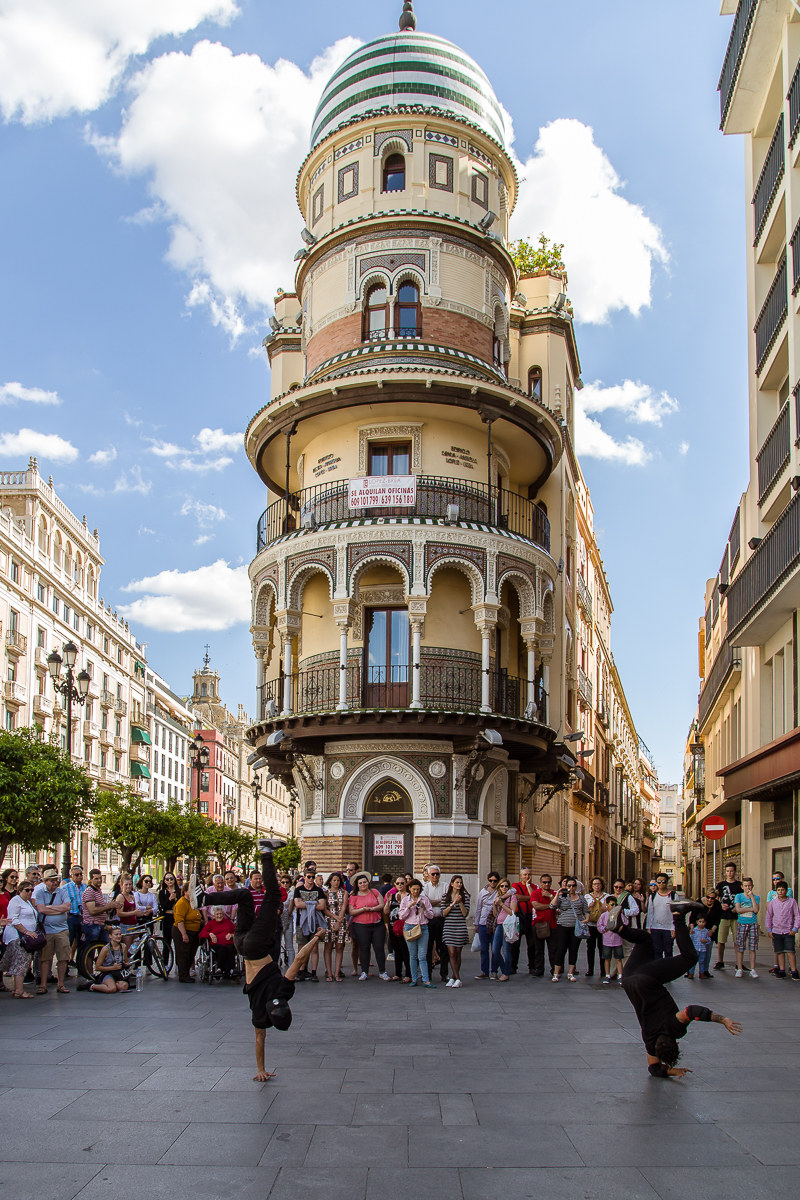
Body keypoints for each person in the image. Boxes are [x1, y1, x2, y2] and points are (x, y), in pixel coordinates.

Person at [200, 840, 325, 1081]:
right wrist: (260, 1070)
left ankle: (265, 853)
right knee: (247, 895)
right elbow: (259, 1039)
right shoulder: (259, 1013)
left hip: (255, 947)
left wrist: (316, 937)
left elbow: (299, 959)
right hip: (241, 944)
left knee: (271, 897)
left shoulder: (283, 991)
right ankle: (206, 900)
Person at [618, 902, 742, 1076]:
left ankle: (678, 915)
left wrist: (722, 1020)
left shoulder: (675, 1029)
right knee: (646, 940)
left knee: (690, 957)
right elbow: (654, 1069)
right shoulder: (650, 1042)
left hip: (647, 979)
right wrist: (672, 1071)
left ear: (676, 1044)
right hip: (628, 979)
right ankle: (620, 929)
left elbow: (692, 1011)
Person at [32, 866, 72, 995]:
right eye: (52, 880)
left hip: (62, 929)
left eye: (56, 879)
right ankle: (43, 984)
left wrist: (50, 908)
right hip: (47, 930)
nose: (55, 882)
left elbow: (67, 907)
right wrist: (58, 908)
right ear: (46, 881)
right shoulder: (40, 893)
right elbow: (41, 909)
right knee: (45, 958)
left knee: (63, 957)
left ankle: (61, 984)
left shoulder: (62, 892)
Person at [348, 871, 389, 980]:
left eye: (365, 882)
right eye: (360, 883)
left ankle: (382, 971)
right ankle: (364, 972)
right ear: (357, 885)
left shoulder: (374, 892)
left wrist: (372, 909)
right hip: (361, 925)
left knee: (379, 947)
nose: (363, 884)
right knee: (364, 948)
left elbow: (382, 904)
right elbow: (351, 911)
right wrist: (363, 909)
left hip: (377, 924)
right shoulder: (354, 896)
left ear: (368, 882)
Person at [3, 879, 41, 998]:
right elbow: (13, 920)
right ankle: (19, 990)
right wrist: (26, 931)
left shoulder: (28, 902)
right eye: (27, 890)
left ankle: (17, 989)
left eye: (31, 890)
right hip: (17, 937)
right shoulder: (16, 901)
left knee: (23, 962)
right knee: (21, 962)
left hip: (26, 938)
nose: (30, 892)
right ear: (20, 891)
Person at [550, 877, 589, 981]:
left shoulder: (581, 898)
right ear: (565, 886)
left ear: (576, 887)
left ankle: (571, 972)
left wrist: (586, 920)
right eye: (569, 886)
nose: (571, 888)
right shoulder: (562, 897)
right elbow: (552, 906)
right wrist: (558, 893)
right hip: (563, 925)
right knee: (560, 949)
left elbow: (586, 910)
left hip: (576, 927)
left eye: (573, 886)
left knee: (573, 949)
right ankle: (556, 972)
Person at [293, 868, 329, 981]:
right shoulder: (298, 890)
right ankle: (301, 971)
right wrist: (314, 903)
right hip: (302, 922)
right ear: (304, 877)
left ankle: (314, 972)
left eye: (313, 877)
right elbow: (297, 904)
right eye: (309, 877)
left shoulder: (319, 890)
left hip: (316, 922)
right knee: (301, 947)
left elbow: (322, 906)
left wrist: (306, 904)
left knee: (314, 948)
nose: (311, 879)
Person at [398, 878, 435, 987]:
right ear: (409, 889)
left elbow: (431, 916)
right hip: (410, 927)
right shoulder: (405, 900)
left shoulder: (424, 899)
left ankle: (426, 979)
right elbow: (401, 916)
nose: (416, 892)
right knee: (412, 955)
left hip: (423, 927)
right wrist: (409, 907)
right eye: (414, 889)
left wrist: (424, 908)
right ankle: (414, 978)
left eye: (418, 889)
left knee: (422, 955)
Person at [765, 880, 800, 979]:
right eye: (778, 890)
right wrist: (769, 929)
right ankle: (782, 970)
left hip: (788, 931)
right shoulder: (773, 903)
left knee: (790, 951)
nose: (780, 892)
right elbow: (769, 916)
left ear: (786, 891)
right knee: (779, 952)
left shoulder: (792, 902)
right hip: (776, 931)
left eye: (782, 890)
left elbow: (797, 916)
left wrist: (795, 928)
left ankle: (794, 971)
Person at [173, 879, 203, 983]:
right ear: (185, 892)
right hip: (183, 930)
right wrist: (184, 934)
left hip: (194, 931)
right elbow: (179, 920)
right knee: (184, 953)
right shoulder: (182, 903)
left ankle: (187, 972)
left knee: (191, 953)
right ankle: (183, 974)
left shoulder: (193, 902)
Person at [422, 864, 449, 984]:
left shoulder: (445, 886)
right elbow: (425, 903)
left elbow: (447, 902)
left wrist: (432, 902)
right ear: (428, 875)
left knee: (443, 948)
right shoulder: (425, 887)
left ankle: (444, 974)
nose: (435, 876)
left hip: (442, 919)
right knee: (428, 948)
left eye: (437, 874)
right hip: (429, 921)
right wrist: (439, 901)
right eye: (432, 874)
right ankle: (428, 974)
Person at [442, 874, 470, 987]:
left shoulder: (465, 897)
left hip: (460, 926)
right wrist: (453, 903)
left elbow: (465, 914)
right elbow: (443, 913)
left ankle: (454, 977)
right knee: (451, 953)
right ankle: (457, 978)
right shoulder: (445, 896)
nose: (459, 884)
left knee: (458, 953)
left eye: (460, 883)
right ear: (452, 884)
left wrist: (460, 902)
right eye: (457, 882)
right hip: (449, 926)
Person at [84, 925, 130, 993]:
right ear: (110, 936)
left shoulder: (123, 946)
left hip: (118, 972)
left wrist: (126, 965)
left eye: (120, 934)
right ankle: (92, 986)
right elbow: (97, 967)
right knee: (112, 989)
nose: (119, 936)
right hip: (107, 972)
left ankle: (111, 983)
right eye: (116, 934)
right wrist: (113, 968)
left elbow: (125, 961)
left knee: (124, 986)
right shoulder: (105, 949)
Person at [714, 861, 743, 970]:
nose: (730, 873)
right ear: (725, 872)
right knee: (721, 940)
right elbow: (716, 899)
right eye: (727, 871)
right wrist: (721, 906)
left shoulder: (739, 885)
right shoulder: (721, 885)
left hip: (736, 917)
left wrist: (738, 908)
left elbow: (743, 899)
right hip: (723, 916)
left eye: (731, 871)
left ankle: (738, 962)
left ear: (735, 872)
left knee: (737, 941)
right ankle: (720, 961)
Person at [322, 872, 349, 982]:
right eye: (334, 880)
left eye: (338, 880)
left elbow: (344, 907)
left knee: (339, 948)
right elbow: (324, 908)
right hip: (328, 920)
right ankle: (329, 973)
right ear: (330, 881)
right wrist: (335, 918)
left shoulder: (344, 892)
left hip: (341, 921)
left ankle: (337, 973)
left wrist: (339, 920)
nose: (336, 882)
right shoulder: (325, 893)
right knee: (328, 948)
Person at [473, 871, 500, 979]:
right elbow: (478, 908)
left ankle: (494, 971)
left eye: (495, 881)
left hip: (495, 923)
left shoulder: (500, 891)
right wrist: (476, 923)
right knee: (484, 948)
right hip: (483, 923)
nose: (493, 883)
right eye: (491, 881)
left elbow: (512, 890)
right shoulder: (482, 892)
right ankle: (484, 971)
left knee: (495, 949)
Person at [385, 875, 411, 983]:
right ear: (395, 885)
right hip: (393, 926)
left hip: (405, 927)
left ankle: (408, 974)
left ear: (406, 884)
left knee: (406, 951)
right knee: (397, 951)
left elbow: (406, 912)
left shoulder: (409, 896)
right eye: (398, 883)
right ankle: (397, 973)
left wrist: (400, 902)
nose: (400, 885)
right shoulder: (393, 896)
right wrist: (388, 901)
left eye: (402, 883)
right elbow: (386, 912)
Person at [491, 878, 518, 982]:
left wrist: (502, 904)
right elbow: (495, 914)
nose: (504, 888)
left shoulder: (512, 897)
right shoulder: (498, 897)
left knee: (506, 951)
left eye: (506, 886)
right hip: (498, 925)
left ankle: (506, 973)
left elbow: (512, 912)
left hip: (508, 926)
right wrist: (495, 904)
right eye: (502, 886)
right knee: (494, 950)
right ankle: (504, 969)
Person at [530, 874, 556, 977]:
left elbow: (557, 904)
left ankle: (554, 969)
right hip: (538, 924)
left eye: (549, 882)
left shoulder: (554, 893)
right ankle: (539, 969)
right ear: (540, 883)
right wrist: (550, 906)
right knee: (538, 949)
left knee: (553, 949)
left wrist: (550, 897)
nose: (547, 884)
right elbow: (536, 905)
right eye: (544, 882)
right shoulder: (535, 893)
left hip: (552, 925)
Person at [200, 906, 237, 978]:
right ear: (213, 915)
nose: (219, 916)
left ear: (223, 914)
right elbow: (201, 934)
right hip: (216, 944)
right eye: (217, 914)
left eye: (221, 914)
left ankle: (231, 969)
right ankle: (220, 969)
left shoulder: (228, 922)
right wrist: (209, 934)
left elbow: (237, 931)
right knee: (221, 949)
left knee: (230, 948)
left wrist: (232, 935)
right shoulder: (210, 923)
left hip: (229, 943)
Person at [81, 868, 116, 946]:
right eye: (96, 879)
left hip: (101, 924)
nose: (99, 880)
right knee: (90, 950)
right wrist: (108, 907)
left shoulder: (98, 891)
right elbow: (92, 910)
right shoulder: (90, 891)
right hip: (92, 924)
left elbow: (102, 908)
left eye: (100, 878)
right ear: (91, 880)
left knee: (105, 947)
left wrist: (111, 906)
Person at [734, 877, 760, 979]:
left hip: (753, 923)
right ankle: (739, 968)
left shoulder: (756, 897)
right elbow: (738, 910)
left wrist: (752, 897)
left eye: (749, 886)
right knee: (740, 946)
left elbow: (756, 910)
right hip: (742, 923)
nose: (747, 888)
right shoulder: (739, 896)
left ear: (752, 886)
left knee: (752, 946)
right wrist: (750, 909)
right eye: (745, 886)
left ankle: (753, 969)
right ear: (742, 887)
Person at [510, 867, 535, 975]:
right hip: (519, 917)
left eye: (529, 874)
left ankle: (532, 967)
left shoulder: (534, 886)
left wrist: (529, 887)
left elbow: (534, 897)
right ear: (521, 876)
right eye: (525, 874)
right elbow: (517, 897)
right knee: (515, 944)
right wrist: (529, 897)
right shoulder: (516, 886)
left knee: (532, 944)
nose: (527, 877)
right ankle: (513, 967)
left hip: (531, 918)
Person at [645, 873, 676, 959]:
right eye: (659, 882)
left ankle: (668, 971)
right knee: (657, 951)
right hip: (655, 928)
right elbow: (650, 912)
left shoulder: (673, 895)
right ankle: (658, 971)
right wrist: (648, 927)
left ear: (667, 882)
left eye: (663, 882)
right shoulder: (653, 896)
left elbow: (676, 913)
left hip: (668, 929)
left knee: (668, 951)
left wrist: (674, 928)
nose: (661, 884)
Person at [597, 895, 626, 983]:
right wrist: (604, 929)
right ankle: (607, 974)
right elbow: (599, 926)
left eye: (615, 904)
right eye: (611, 904)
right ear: (607, 905)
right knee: (607, 958)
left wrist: (620, 928)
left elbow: (625, 923)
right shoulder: (604, 915)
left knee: (618, 958)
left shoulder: (619, 915)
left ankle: (620, 975)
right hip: (607, 940)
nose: (613, 906)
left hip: (617, 940)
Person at [584, 876, 609, 978]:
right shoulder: (587, 897)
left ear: (602, 885)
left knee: (602, 948)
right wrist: (589, 906)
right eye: (594, 884)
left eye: (598, 884)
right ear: (591, 886)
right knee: (590, 948)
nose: (596, 886)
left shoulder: (607, 896)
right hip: (591, 925)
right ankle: (590, 969)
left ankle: (603, 970)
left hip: (602, 926)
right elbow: (583, 910)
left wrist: (604, 907)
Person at [115, 875, 148, 949]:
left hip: (134, 925)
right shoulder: (120, 897)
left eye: (130, 884)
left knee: (134, 950)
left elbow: (135, 911)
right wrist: (133, 913)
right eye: (126, 884)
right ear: (122, 885)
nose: (128, 886)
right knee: (127, 950)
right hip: (126, 926)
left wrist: (142, 913)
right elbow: (119, 913)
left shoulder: (132, 896)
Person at [63, 865, 86, 971]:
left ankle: (80, 964)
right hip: (71, 917)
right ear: (71, 876)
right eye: (77, 875)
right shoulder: (66, 888)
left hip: (82, 917)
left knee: (81, 942)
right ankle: (65, 965)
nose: (79, 877)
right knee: (68, 941)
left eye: (81, 874)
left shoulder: (85, 887)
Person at [157, 872, 179, 968]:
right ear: (164, 881)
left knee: (178, 942)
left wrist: (175, 900)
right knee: (166, 941)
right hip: (167, 918)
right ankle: (165, 964)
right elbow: (163, 906)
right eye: (167, 879)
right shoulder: (162, 893)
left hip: (177, 918)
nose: (169, 881)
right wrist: (170, 899)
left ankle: (178, 964)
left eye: (171, 878)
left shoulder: (179, 891)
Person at [685, 915, 714, 980]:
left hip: (703, 949)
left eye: (703, 922)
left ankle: (701, 973)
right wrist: (691, 933)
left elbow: (709, 939)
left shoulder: (706, 931)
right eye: (700, 922)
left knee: (702, 962)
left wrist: (706, 941)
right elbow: (690, 939)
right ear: (697, 922)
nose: (701, 923)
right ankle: (691, 973)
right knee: (693, 962)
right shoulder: (694, 930)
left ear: (705, 922)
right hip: (695, 949)